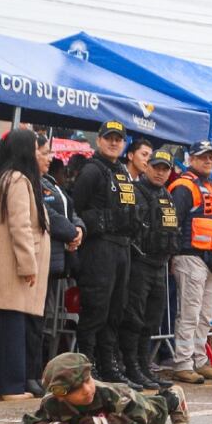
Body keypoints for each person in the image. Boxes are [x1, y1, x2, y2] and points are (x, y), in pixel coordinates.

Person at [0, 129, 50, 400]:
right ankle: (11, 387)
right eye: (36, 148)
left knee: (2, 327)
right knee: (12, 327)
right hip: (10, 267)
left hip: (1, 267)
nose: (40, 154)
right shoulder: (18, 180)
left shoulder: (3, 177)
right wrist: (28, 265)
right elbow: (20, 226)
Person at [71, 120, 143, 389]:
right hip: (99, 248)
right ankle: (86, 366)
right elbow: (75, 210)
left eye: (118, 139)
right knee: (96, 308)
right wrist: (99, 221)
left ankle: (108, 365)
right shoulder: (92, 171)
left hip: (122, 248)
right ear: (99, 140)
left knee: (116, 310)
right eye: (109, 138)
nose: (114, 143)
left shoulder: (121, 171)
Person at [18, 352, 189, 424]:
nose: (87, 390)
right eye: (77, 389)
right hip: (93, 415)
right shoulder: (52, 403)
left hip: (125, 404)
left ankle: (173, 396)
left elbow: (138, 418)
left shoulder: (109, 394)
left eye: (88, 380)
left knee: (154, 416)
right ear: (60, 395)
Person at [24, 135, 84, 396]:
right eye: (45, 152)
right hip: (39, 259)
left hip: (58, 259)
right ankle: (30, 374)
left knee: (43, 320)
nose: (50, 158)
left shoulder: (49, 182)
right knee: (34, 321)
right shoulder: (29, 183)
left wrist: (79, 228)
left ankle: (37, 373)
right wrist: (71, 232)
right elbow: (49, 216)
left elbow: (70, 209)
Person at [168, 140, 212, 385]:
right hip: (190, 256)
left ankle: (200, 360)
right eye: (203, 156)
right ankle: (183, 363)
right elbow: (172, 221)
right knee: (189, 314)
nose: (208, 161)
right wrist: (173, 254)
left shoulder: (210, 187)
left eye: (211, 157)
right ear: (191, 159)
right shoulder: (184, 186)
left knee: (205, 315)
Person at [118, 149, 180, 390]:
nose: (160, 173)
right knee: (134, 318)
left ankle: (144, 366)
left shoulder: (166, 195)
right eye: (156, 167)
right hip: (139, 263)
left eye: (165, 169)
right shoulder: (135, 191)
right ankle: (131, 367)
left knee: (152, 320)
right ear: (147, 167)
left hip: (159, 264)